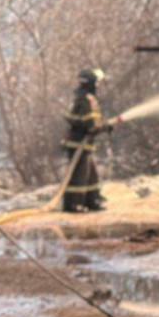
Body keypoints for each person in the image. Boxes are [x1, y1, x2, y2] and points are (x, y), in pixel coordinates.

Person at [61, 68, 112, 212]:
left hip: (83, 144)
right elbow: (90, 125)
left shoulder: (83, 97)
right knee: (79, 176)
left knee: (91, 175)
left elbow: (89, 123)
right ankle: (73, 205)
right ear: (91, 83)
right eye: (97, 83)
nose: (98, 86)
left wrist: (103, 125)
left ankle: (92, 200)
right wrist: (104, 127)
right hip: (78, 144)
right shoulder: (86, 100)